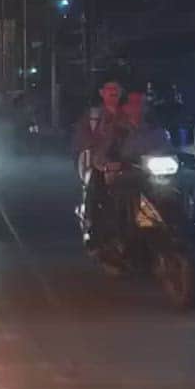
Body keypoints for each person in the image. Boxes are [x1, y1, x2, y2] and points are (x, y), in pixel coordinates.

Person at [72, 77, 126, 256]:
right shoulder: (94, 117)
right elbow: (82, 139)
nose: (113, 92)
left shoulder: (130, 114)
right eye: (109, 88)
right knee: (96, 192)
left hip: (130, 164)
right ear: (102, 93)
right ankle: (94, 235)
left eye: (116, 88)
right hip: (102, 165)